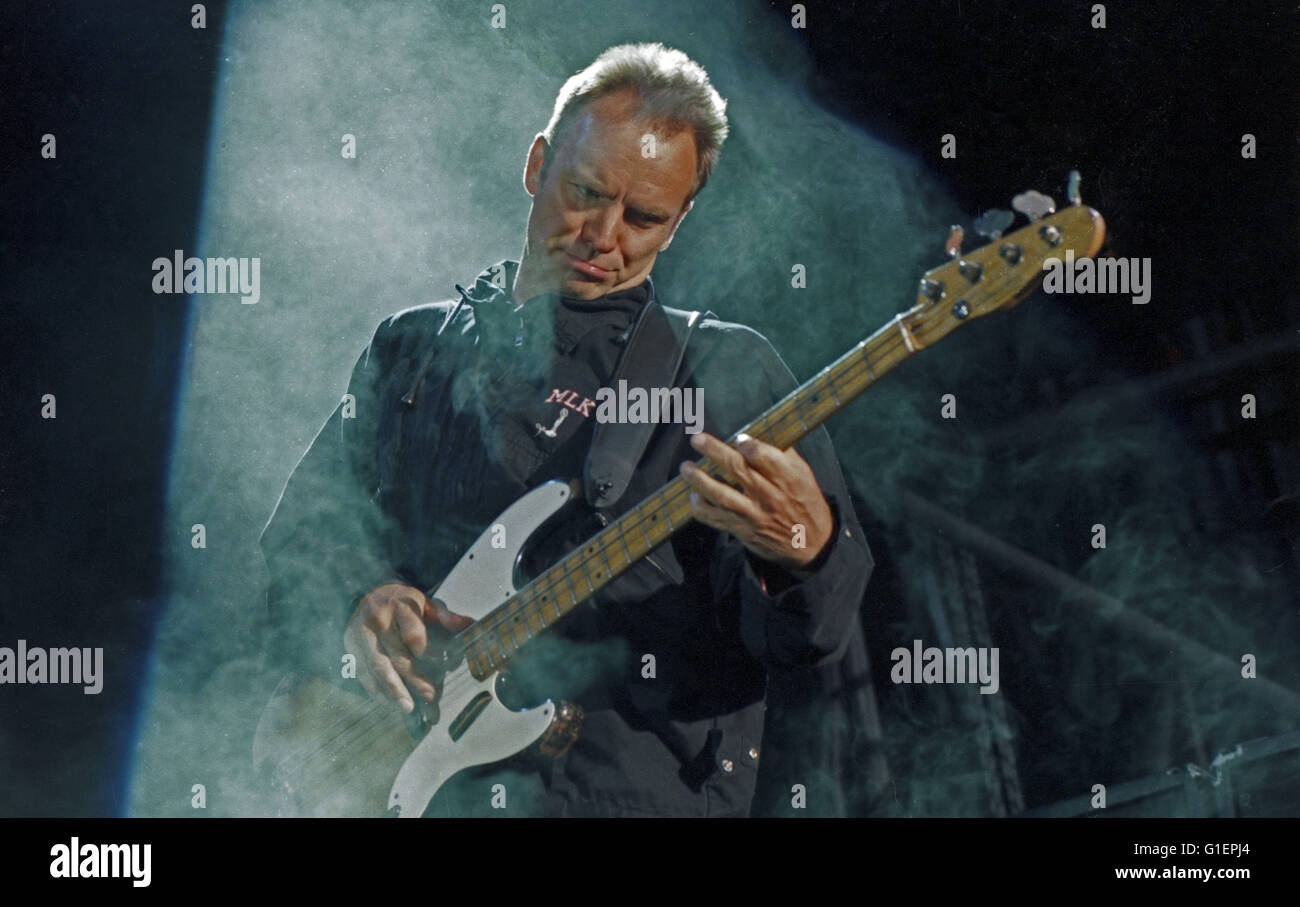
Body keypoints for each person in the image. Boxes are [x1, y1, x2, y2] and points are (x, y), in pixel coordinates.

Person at [259, 42, 874, 817]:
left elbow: (803, 643)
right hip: (398, 784)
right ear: (537, 164)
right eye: (585, 191)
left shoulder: (725, 372)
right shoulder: (412, 349)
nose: (605, 234)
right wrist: (356, 600)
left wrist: (807, 554)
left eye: (645, 216)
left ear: (678, 222)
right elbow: (303, 537)